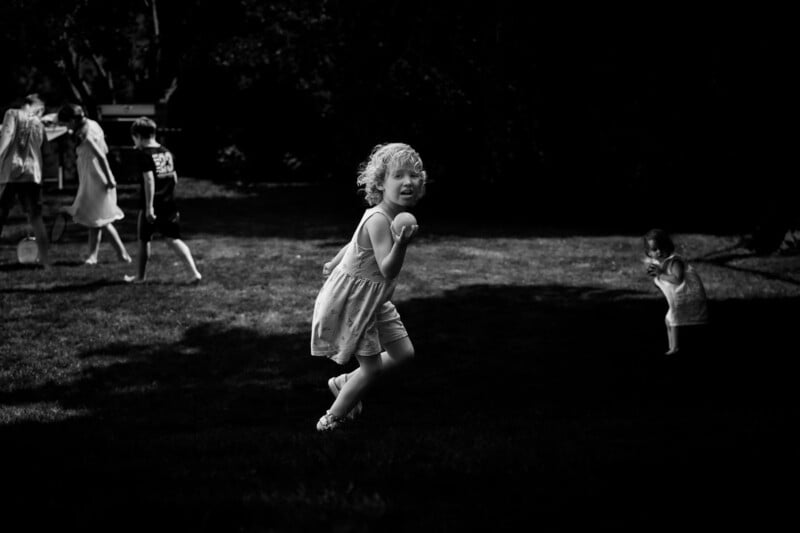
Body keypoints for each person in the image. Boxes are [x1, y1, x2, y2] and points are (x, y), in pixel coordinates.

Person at [311, 142, 426, 431]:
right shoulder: (378, 219)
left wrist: (335, 261)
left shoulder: (382, 214)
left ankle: (344, 383)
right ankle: (331, 420)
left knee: (403, 354)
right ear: (380, 183)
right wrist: (401, 244)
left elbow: (354, 243)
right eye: (398, 175)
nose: (408, 181)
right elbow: (388, 269)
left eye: (413, 176)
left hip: (374, 301)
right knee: (372, 368)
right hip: (356, 303)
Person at [123, 116, 201, 284]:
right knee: (173, 238)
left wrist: (149, 207)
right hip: (168, 203)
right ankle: (194, 272)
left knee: (144, 240)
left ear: (138, 136)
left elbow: (149, 180)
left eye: (134, 138)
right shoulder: (166, 151)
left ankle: (140, 277)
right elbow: (174, 177)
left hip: (151, 205)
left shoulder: (144, 154)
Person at [57, 103, 130, 265]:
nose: (66, 127)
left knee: (101, 220)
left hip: (97, 178)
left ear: (72, 120)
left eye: (66, 123)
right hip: (92, 177)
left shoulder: (86, 134)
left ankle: (122, 254)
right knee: (95, 219)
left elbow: (101, 156)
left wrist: (109, 179)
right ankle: (93, 256)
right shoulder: (92, 124)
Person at [0, 94, 51, 266]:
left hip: (11, 173)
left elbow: (5, 139)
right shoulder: (38, 123)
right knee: (36, 219)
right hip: (32, 174)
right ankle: (45, 262)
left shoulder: (12, 114)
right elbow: (44, 150)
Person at [643, 229, 709, 356]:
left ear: (668, 246)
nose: (659, 251)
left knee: (673, 318)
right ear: (649, 253)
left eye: (662, 247)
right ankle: (671, 346)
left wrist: (660, 274)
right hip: (680, 298)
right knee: (668, 319)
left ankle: (675, 348)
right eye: (655, 249)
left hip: (688, 296)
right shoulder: (661, 262)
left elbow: (677, 279)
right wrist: (657, 275)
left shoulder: (675, 261)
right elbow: (662, 279)